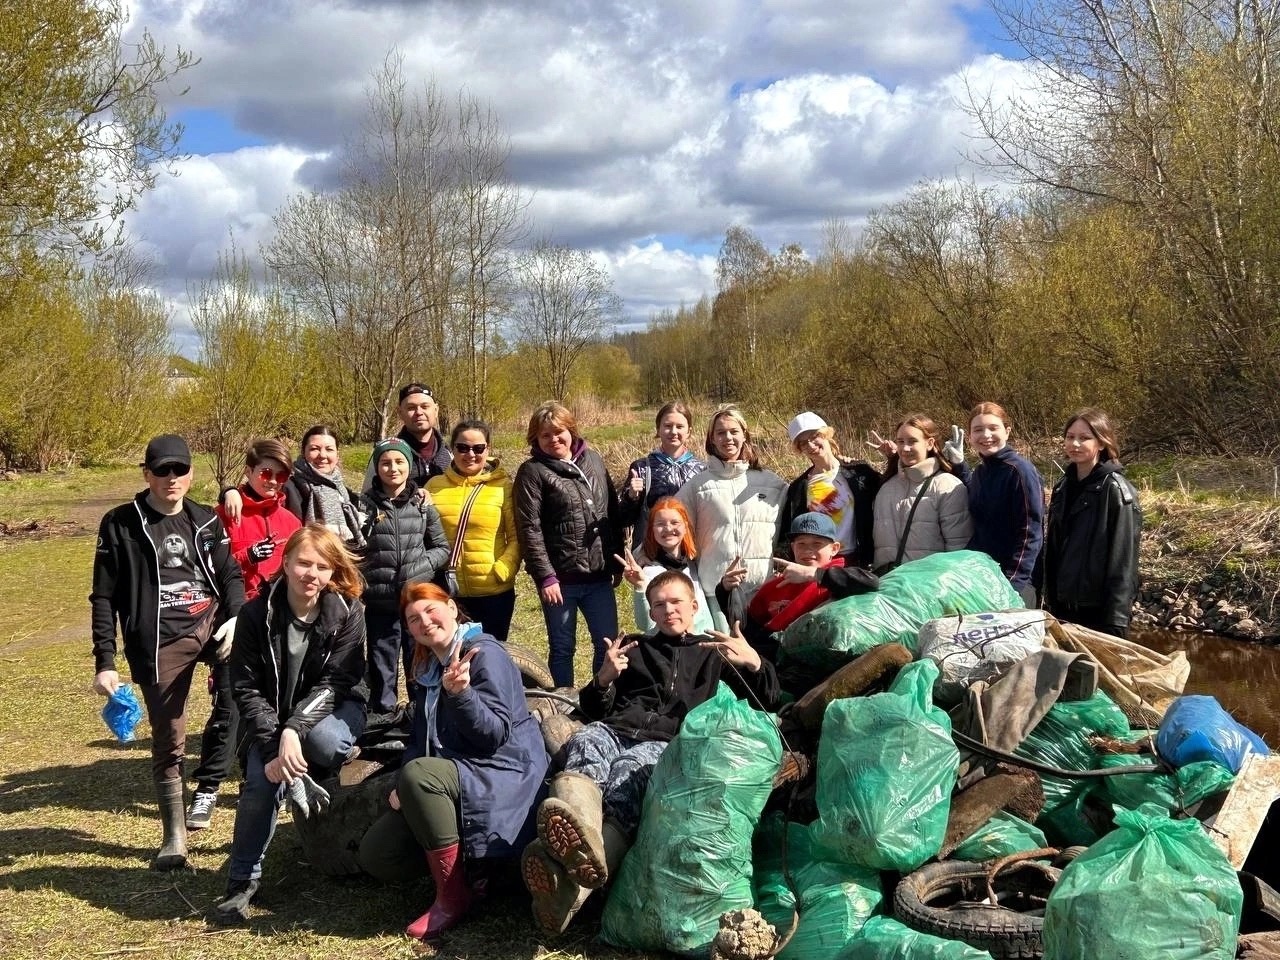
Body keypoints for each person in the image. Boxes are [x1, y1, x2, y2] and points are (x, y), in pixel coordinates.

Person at [520, 570, 779, 934]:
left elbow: (768, 699)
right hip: (616, 729)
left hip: (666, 742)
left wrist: (754, 663)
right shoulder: (635, 648)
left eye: (676, 602)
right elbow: (593, 709)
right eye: (659, 604)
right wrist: (604, 678)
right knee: (587, 739)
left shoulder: (713, 653)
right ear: (651, 612)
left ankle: (571, 882)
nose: (668, 610)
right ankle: (580, 840)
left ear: (694, 606)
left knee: (629, 769)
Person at [357, 583, 548, 939]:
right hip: (457, 773)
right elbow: (420, 740)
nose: (424, 622)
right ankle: (477, 868)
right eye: (414, 619)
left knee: (420, 775)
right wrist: (402, 783)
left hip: (503, 774)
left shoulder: (484, 654)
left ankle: (452, 895)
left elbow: (493, 736)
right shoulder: (430, 668)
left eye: (431, 610)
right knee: (378, 856)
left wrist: (461, 695)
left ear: (452, 608)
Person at [90, 434, 244, 870]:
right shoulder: (121, 524)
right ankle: (174, 834)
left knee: (241, 699)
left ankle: (219, 788)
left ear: (191, 473)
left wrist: (236, 617)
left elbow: (230, 575)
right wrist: (105, 661)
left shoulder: (205, 520)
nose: (171, 478)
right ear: (147, 474)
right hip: (160, 640)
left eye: (180, 469)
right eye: (162, 470)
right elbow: (103, 596)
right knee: (169, 735)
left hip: (212, 624)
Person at [213, 525, 368, 924]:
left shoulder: (348, 611)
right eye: (303, 563)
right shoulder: (255, 614)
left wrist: (293, 729)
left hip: (335, 707)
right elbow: (246, 689)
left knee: (324, 743)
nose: (311, 574)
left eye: (322, 567)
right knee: (260, 783)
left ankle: (328, 755)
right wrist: (272, 748)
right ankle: (241, 882)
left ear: (332, 573)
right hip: (271, 718)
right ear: (285, 563)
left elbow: (336, 681)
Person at [186, 439, 303, 832]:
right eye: (265, 472)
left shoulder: (290, 521)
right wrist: (247, 557)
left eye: (281, 475)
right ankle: (207, 787)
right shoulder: (225, 514)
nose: (272, 481)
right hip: (235, 620)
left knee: (276, 704)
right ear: (249, 471)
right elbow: (207, 568)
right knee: (228, 705)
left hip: (278, 622)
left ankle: (272, 779)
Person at [513, 402, 623, 687]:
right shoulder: (532, 472)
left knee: (607, 643)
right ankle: (563, 703)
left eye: (559, 432)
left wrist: (617, 561)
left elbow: (610, 512)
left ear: (571, 431)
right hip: (561, 582)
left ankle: (601, 697)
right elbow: (529, 529)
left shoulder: (593, 460)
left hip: (599, 577)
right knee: (563, 648)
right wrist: (545, 576)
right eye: (545, 435)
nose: (554, 439)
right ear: (535, 439)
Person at [724, 512, 879, 679]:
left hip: (822, 671)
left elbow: (871, 582)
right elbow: (748, 626)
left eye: (817, 543)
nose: (808, 550)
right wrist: (727, 590)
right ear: (792, 547)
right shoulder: (778, 584)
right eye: (801, 543)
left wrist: (815, 574)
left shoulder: (839, 578)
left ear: (834, 549)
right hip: (772, 667)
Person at [360, 437, 449, 715]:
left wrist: (420, 568)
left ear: (409, 466)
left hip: (416, 601)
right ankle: (384, 716)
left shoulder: (422, 504)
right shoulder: (363, 506)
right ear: (377, 467)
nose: (393, 468)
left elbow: (442, 547)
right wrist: (367, 579)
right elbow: (354, 551)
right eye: (385, 463)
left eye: (400, 461)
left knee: (418, 660)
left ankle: (419, 713)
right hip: (380, 602)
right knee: (381, 663)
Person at [677, 405, 787, 630]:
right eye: (720, 432)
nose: (728, 438)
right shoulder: (698, 486)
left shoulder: (772, 483)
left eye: (734, 431)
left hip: (762, 592)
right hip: (715, 592)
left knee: (760, 651)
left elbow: (799, 514)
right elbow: (667, 520)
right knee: (722, 651)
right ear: (712, 439)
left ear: (744, 435)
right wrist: (644, 554)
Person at [1039, 408, 1142, 637]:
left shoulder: (1116, 490)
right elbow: (1054, 551)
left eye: (1084, 438)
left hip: (1098, 613)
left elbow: (1124, 561)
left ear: (1102, 443)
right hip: (1063, 609)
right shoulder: (1062, 487)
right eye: (1070, 437)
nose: (1075, 444)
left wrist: (1116, 621)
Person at [425, 420, 521, 642]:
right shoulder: (434, 486)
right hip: (449, 591)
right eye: (462, 448)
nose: (470, 454)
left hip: (493, 592)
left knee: (490, 653)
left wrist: (503, 569)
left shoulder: (503, 486)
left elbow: (517, 537)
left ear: (488, 449)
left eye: (478, 448)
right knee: (452, 654)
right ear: (452, 449)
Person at [942, 402, 1045, 607]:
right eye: (978, 430)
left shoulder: (1019, 471)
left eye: (993, 428)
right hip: (985, 577)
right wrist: (959, 465)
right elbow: (979, 495)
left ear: (1007, 431)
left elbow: (1030, 533)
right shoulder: (982, 471)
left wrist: (1012, 585)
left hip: (1015, 581)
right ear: (970, 436)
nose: (986, 435)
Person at [221, 425, 366, 548]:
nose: (322, 455)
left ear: (337, 455)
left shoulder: (342, 491)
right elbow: (257, 497)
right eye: (314, 449)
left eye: (329, 449)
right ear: (303, 452)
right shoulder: (288, 485)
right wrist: (230, 491)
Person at [777, 411, 881, 569]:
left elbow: (891, 489)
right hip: (818, 562)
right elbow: (791, 530)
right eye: (803, 443)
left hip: (856, 560)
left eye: (814, 437)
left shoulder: (858, 472)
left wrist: (893, 457)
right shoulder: (799, 487)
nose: (810, 445)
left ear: (826, 434)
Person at [871, 413, 973, 572]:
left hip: (929, 584)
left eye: (912, 441)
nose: (905, 448)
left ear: (929, 443)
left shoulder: (947, 486)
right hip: (887, 583)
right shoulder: (886, 487)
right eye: (900, 441)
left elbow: (958, 550)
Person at [614, 496, 714, 634]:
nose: (668, 528)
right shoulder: (649, 572)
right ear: (652, 530)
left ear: (685, 526)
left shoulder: (695, 563)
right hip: (668, 644)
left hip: (702, 641)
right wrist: (640, 586)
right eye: (660, 524)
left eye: (675, 522)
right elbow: (645, 625)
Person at [617, 401, 706, 545]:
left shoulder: (701, 469)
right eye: (668, 426)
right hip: (651, 552)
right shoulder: (642, 468)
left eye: (679, 426)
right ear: (658, 429)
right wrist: (631, 497)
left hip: (690, 551)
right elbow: (623, 519)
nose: (673, 432)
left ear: (689, 431)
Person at [363, 383, 451, 492]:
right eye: (411, 408)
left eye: (425, 406)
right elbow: (367, 498)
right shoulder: (385, 454)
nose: (419, 412)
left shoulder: (453, 454)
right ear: (400, 413)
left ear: (436, 410)